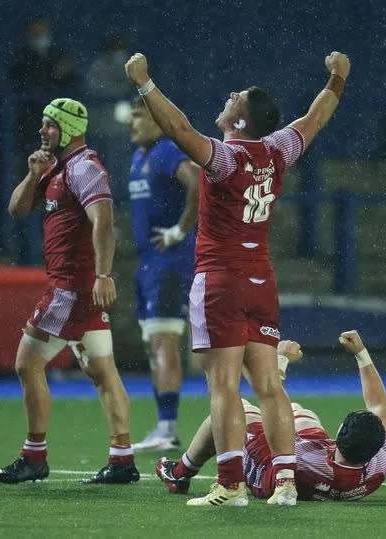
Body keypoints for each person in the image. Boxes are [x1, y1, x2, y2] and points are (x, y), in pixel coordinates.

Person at [124, 50, 351, 506]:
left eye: (237, 98)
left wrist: (144, 83)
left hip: (221, 280)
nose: (229, 97)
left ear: (242, 120)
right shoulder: (276, 151)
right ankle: (284, 484)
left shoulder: (225, 158)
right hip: (261, 280)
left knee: (222, 385)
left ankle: (230, 484)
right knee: (268, 385)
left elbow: (179, 129)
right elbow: (315, 119)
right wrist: (337, 81)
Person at [0, 98, 139, 485]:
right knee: (103, 371)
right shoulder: (55, 168)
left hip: (70, 288)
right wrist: (33, 174)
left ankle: (34, 457)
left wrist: (104, 275)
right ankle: (122, 460)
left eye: (50, 125)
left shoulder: (84, 167)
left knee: (27, 362)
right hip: (74, 287)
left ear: (71, 129)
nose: (43, 131)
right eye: (42, 124)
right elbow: (16, 210)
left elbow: (103, 222)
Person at [156, 330, 386, 503]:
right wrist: (361, 354)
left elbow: (273, 405)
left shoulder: (304, 459)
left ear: (339, 432)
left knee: (236, 409)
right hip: (325, 471)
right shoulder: (383, 460)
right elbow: (379, 407)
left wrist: (281, 359)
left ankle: (180, 473)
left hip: (270, 471)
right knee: (301, 414)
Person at [127, 97, 201, 452]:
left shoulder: (167, 151)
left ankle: (168, 428)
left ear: (158, 121)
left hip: (169, 263)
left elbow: (198, 183)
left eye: (139, 117)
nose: (132, 123)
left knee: (164, 342)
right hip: (147, 265)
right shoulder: (138, 158)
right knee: (154, 343)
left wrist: (179, 231)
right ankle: (162, 425)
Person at [8, 19, 77, 153]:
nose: (40, 36)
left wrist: (64, 73)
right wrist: (51, 75)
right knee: (32, 158)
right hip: (30, 118)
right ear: (29, 34)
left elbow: (71, 81)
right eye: (36, 32)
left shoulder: (57, 54)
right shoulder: (21, 57)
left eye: (42, 32)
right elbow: (20, 81)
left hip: (57, 120)